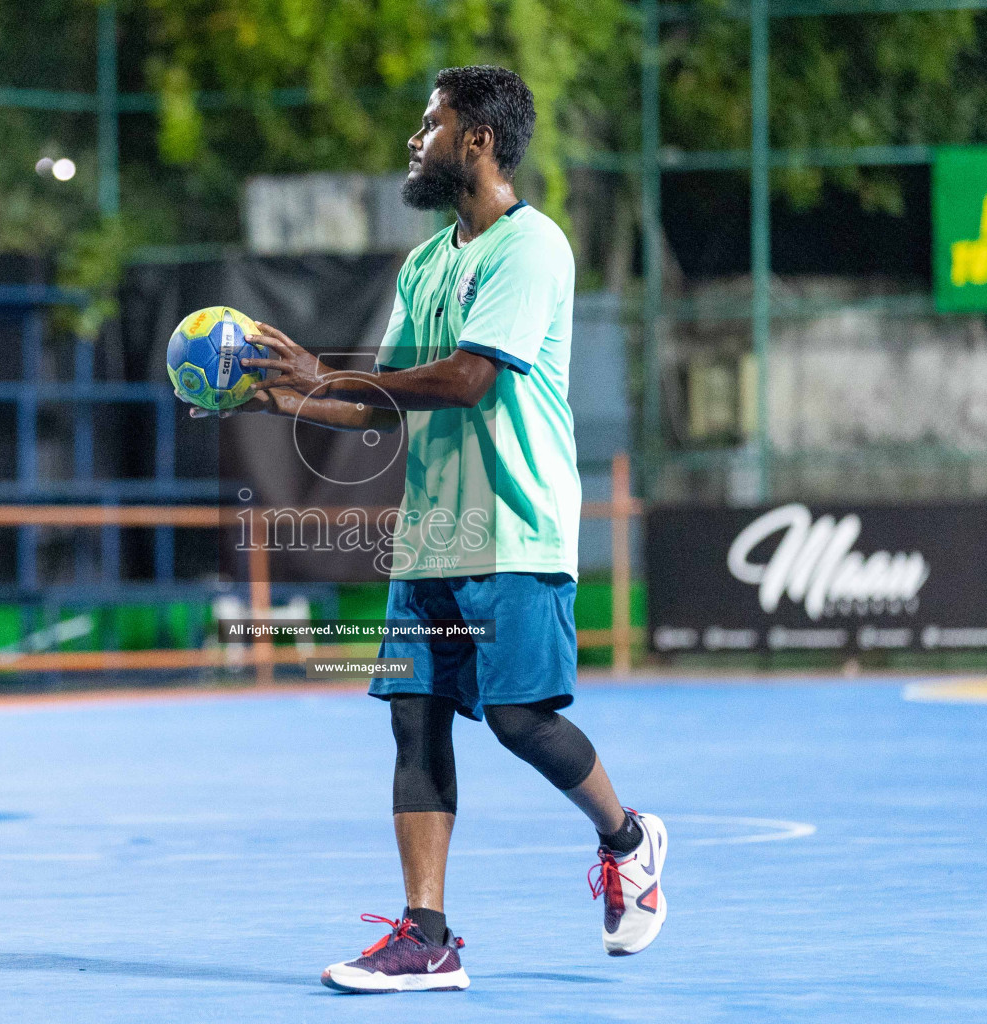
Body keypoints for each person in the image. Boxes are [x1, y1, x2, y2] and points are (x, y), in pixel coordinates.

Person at [204, 65, 667, 992]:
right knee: (413, 724)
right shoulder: (425, 263)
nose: (416, 139)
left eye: (432, 123)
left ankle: (630, 838)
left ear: (479, 140)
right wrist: (276, 395)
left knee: (518, 720)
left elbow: (466, 380)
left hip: (516, 529)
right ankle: (428, 936)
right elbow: (386, 407)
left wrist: (322, 374)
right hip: (430, 539)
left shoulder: (532, 250)